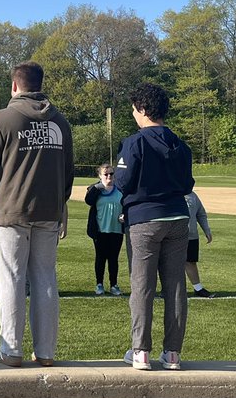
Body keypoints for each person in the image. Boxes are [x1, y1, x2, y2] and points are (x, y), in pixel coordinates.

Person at [0, 61, 73, 367]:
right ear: (40, 84)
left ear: (14, 86)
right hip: (48, 212)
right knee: (45, 278)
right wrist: (59, 203)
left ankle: (11, 350)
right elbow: (68, 171)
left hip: (10, 212)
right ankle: (46, 351)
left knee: (11, 278)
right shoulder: (60, 122)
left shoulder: (2, 119)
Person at [114, 82, 195, 371]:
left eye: (134, 109)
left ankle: (141, 352)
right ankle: (172, 353)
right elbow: (187, 184)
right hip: (177, 218)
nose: (133, 114)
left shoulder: (135, 142)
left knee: (142, 286)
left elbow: (123, 181)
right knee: (175, 287)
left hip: (144, 220)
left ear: (143, 109)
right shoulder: (180, 144)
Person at [85, 164, 125, 296]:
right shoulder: (95, 189)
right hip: (100, 231)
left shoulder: (120, 190)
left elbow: (126, 206)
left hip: (116, 230)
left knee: (113, 259)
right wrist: (97, 187)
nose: (109, 176)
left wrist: (125, 215)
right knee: (100, 258)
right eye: (105, 174)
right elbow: (89, 201)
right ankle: (99, 284)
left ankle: (114, 285)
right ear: (100, 175)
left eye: (111, 174)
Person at [184, 190, 214, 297]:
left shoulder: (192, 195)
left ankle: (198, 288)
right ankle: (167, 289)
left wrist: (207, 230)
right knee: (168, 263)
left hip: (191, 235)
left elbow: (201, 213)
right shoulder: (169, 191)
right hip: (173, 236)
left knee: (191, 261)